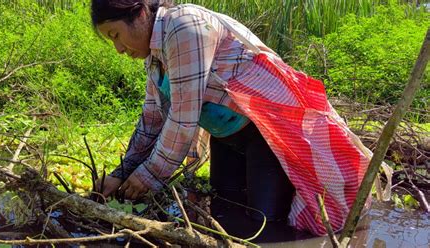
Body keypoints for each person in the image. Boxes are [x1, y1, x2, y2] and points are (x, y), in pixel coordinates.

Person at [92, 0, 373, 238]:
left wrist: (147, 176)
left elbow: (182, 120)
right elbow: (151, 121)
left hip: (266, 134)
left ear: (140, 14)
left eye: (115, 34)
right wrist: (121, 174)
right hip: (227, 137)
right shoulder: (154, 59)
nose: (117, 48)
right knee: (223, 217)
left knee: (264, 228)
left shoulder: (183, 26)